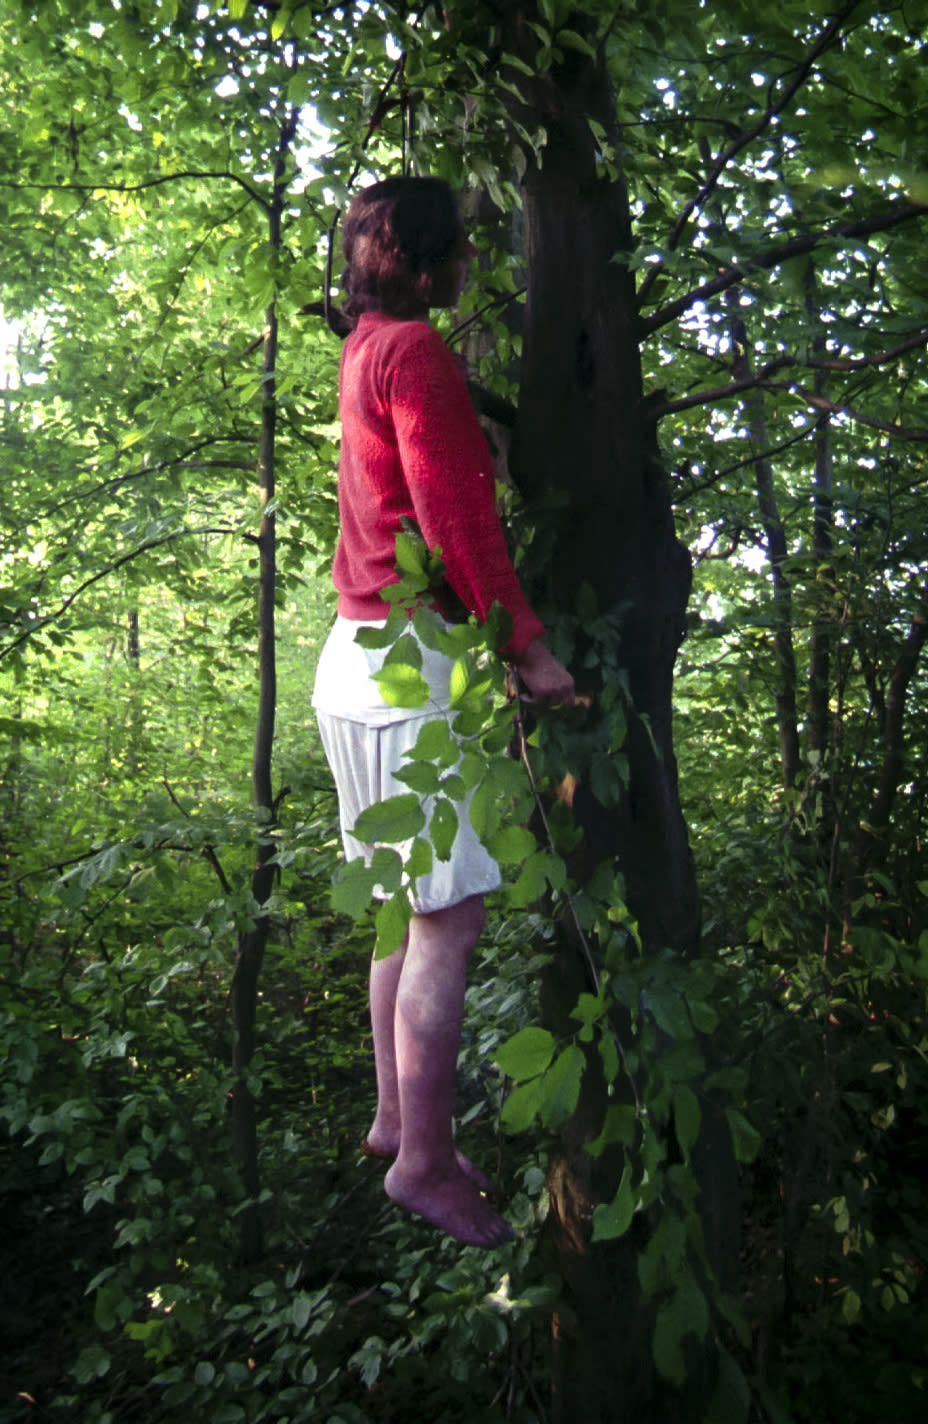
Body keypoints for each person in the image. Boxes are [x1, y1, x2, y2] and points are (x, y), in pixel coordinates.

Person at [312, 176, 574, 1247]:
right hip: (410, 669)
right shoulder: (414, 355)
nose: (470, 263)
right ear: (428, 268)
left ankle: (393, 1119)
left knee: (402, 908)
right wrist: (527, 646)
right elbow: (456, 512)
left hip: (356, 661)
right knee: (447, 918)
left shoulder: (367, 342)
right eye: (458, 251)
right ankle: (423, 1160)